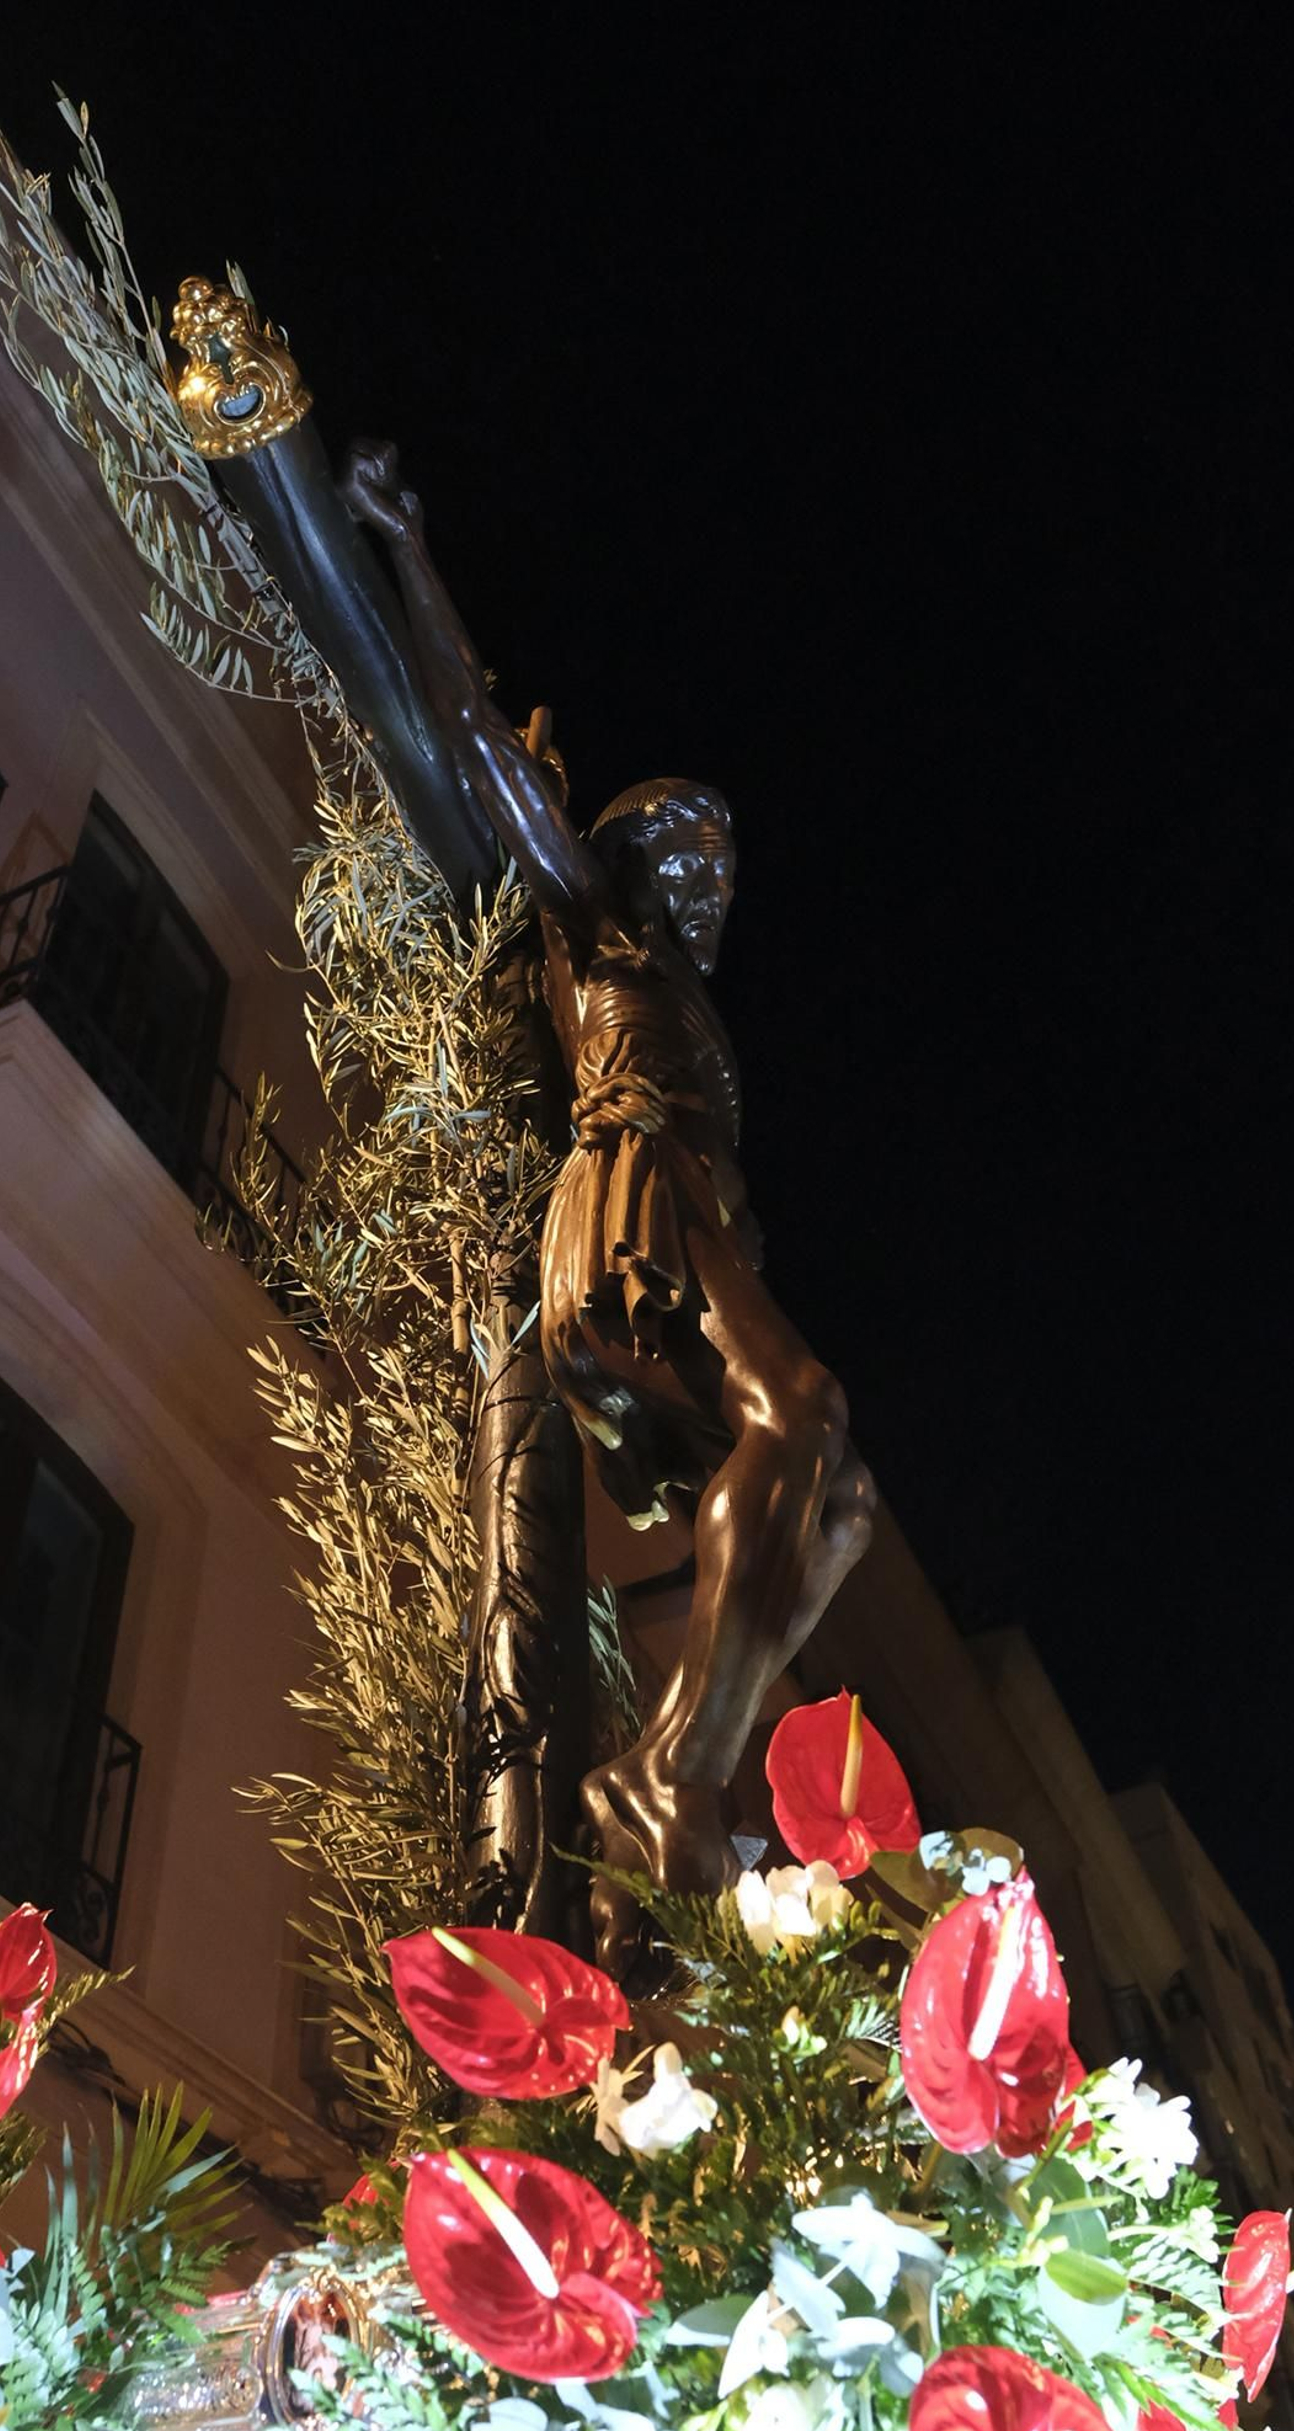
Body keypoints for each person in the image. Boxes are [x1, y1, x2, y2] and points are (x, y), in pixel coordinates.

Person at [341, 441, 874, 1965]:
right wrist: (409, 549)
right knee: (806, 1407)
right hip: (639, 1209)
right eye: (685, 850)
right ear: (630, 858)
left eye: (722, 866)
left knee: (839, 1500)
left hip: (704, 1222)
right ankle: (672, 1771)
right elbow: (474, 738)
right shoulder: (599, 926)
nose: (708, 882)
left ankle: (670, 1755)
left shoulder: (683, 989)